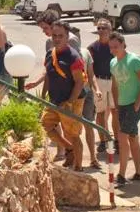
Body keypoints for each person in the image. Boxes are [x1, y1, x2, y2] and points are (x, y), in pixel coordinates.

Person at [39, 20, 87, 172]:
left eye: (61, 36)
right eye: (54, 35)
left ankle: (78, 167)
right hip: (55, 100)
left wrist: (70, 102)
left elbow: (79, 82)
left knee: (72, 133)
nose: (57, 39)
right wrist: (43, 95)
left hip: (72, 100)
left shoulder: (73, 57)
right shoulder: (49, 54)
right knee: (45, 124)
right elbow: (48, 75)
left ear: (67, 37)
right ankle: (69, 148)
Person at [109, 31, 140, 185]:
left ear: (123, 45)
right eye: (111, 47)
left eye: (116, 47)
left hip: (135, 104)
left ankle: (121, 175)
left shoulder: (134, 60)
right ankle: (139, 173)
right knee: (133, 137)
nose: (113, 50)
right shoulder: (113, 63)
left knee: (122, 136)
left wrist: (137, 104)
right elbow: (114, 85)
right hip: (122, 104)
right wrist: (116, 104)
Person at [87, 18, 120, 154]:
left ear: (110, 29)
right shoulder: (92, 48)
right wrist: (95, 87)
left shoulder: (116, 45)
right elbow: (91, 71)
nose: (101, 30)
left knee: (115, 111)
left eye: (104, 28)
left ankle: (117, 141)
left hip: (114, 81)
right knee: (100, 113)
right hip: (99, 81)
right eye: (99, 28)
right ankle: (103, 141)